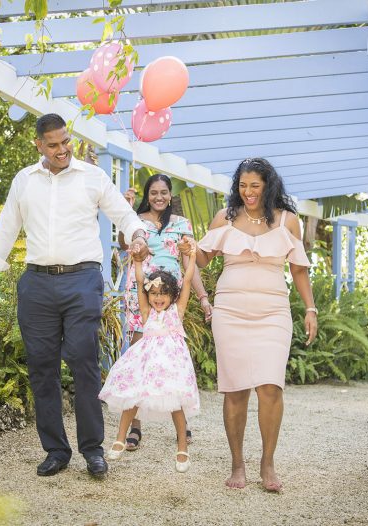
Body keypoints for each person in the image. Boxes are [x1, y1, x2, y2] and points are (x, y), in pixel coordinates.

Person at [0, 113, 149, 480]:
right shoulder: (24, 180)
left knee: (84, 360)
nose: (62, 150)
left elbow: (125, 215)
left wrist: (138, 236)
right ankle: (56, 450)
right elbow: (6, 228)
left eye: (65, 142)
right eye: (53, 144)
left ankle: (92, 450)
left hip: (82, 280)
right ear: (38, 144)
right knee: (42, 369)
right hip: (36, 283)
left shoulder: (92, 177)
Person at [195, 157, 318, 492]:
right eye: (242, 185)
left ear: (268, 185)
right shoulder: (225, 217)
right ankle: (237, 465)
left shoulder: (287, 221)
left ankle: (268, 463)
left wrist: (311, 308)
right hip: (230, 311)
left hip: (273, 313)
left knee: (270, 386)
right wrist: (189, 248)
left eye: (255, 185)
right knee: (235, 389)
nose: (247, 192)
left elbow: (299, 269)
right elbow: (202, 259)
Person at [117, 173, 212, 451]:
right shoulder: (137, 221)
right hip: (140, 295)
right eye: (154, 192)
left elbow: (188, 262)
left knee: (173, 359)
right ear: (147, 195)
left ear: (171, 195)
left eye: (164, 192)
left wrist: (204, 298)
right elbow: (125, 245)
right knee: (139, 357)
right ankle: (135, 427)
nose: (159, 197)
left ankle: (182, 422)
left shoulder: (181, 224)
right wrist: (126, 210)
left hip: (170, 298)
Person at [99, 236, 200, 472]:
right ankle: (120, 438)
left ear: (172, 295)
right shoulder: (147, 313)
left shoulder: (177, 310)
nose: (157, 297)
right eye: (153, 293)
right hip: (146, 362)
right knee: (133, 396)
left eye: (163, 293)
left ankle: (182, 447)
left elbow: (186, 281)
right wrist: (136, 263)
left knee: (175, 404)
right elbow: (140, 280)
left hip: (171, 363)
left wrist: (192, 256)